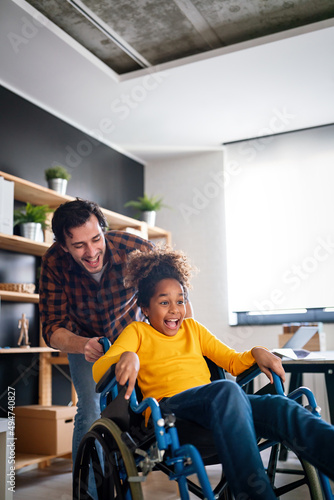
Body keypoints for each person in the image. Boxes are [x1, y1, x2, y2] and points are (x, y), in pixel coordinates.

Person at [93, 246, 334, 500]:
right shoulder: (137, 333)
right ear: (145, 306)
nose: (175, 310)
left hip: (221, 408)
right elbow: (100, 371)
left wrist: (256, 351)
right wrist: (126, 356)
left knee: (281, 406)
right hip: (171, 415)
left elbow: (232, 361)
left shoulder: (194, 329)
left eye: (180, 300)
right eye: (164, 302)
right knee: (227, 390)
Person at [38, 198, 155, 464]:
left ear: (103, 229)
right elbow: (52, 328)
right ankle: (87, 491)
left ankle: (135, 463)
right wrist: (82, 345)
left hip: (134, 337)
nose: (91, 252)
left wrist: (184, 338)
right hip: (84, 341)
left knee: (148, 404)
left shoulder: (135, 249)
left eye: (95, 239)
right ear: (64, 247)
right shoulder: (53, 263)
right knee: (90, 409)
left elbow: (175, 294)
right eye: (79, 245)